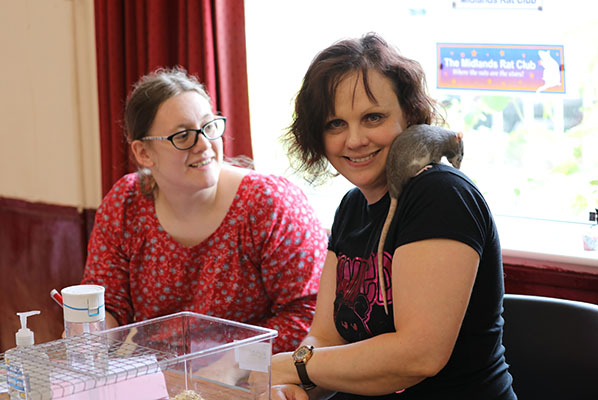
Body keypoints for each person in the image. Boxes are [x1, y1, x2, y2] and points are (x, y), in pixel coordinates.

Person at [268, 33, 517, 399]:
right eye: (335, 123)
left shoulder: (441, 194)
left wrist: (293, 366)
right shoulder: (351, 207)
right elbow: (324, 339)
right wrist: (292, 389)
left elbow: (418, 356)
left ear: (409, 116)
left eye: (373, 118)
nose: (354, 140)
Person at [81, 67, 328, 354]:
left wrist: (231, 365)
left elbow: (309, 315)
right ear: (144, 153)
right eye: (183, 135)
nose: (204, 144)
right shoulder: (125, 203)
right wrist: (88, 331)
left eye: (209, 127)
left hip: (252, 373)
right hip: (158, 373)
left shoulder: (268, 204)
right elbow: (108, 303)